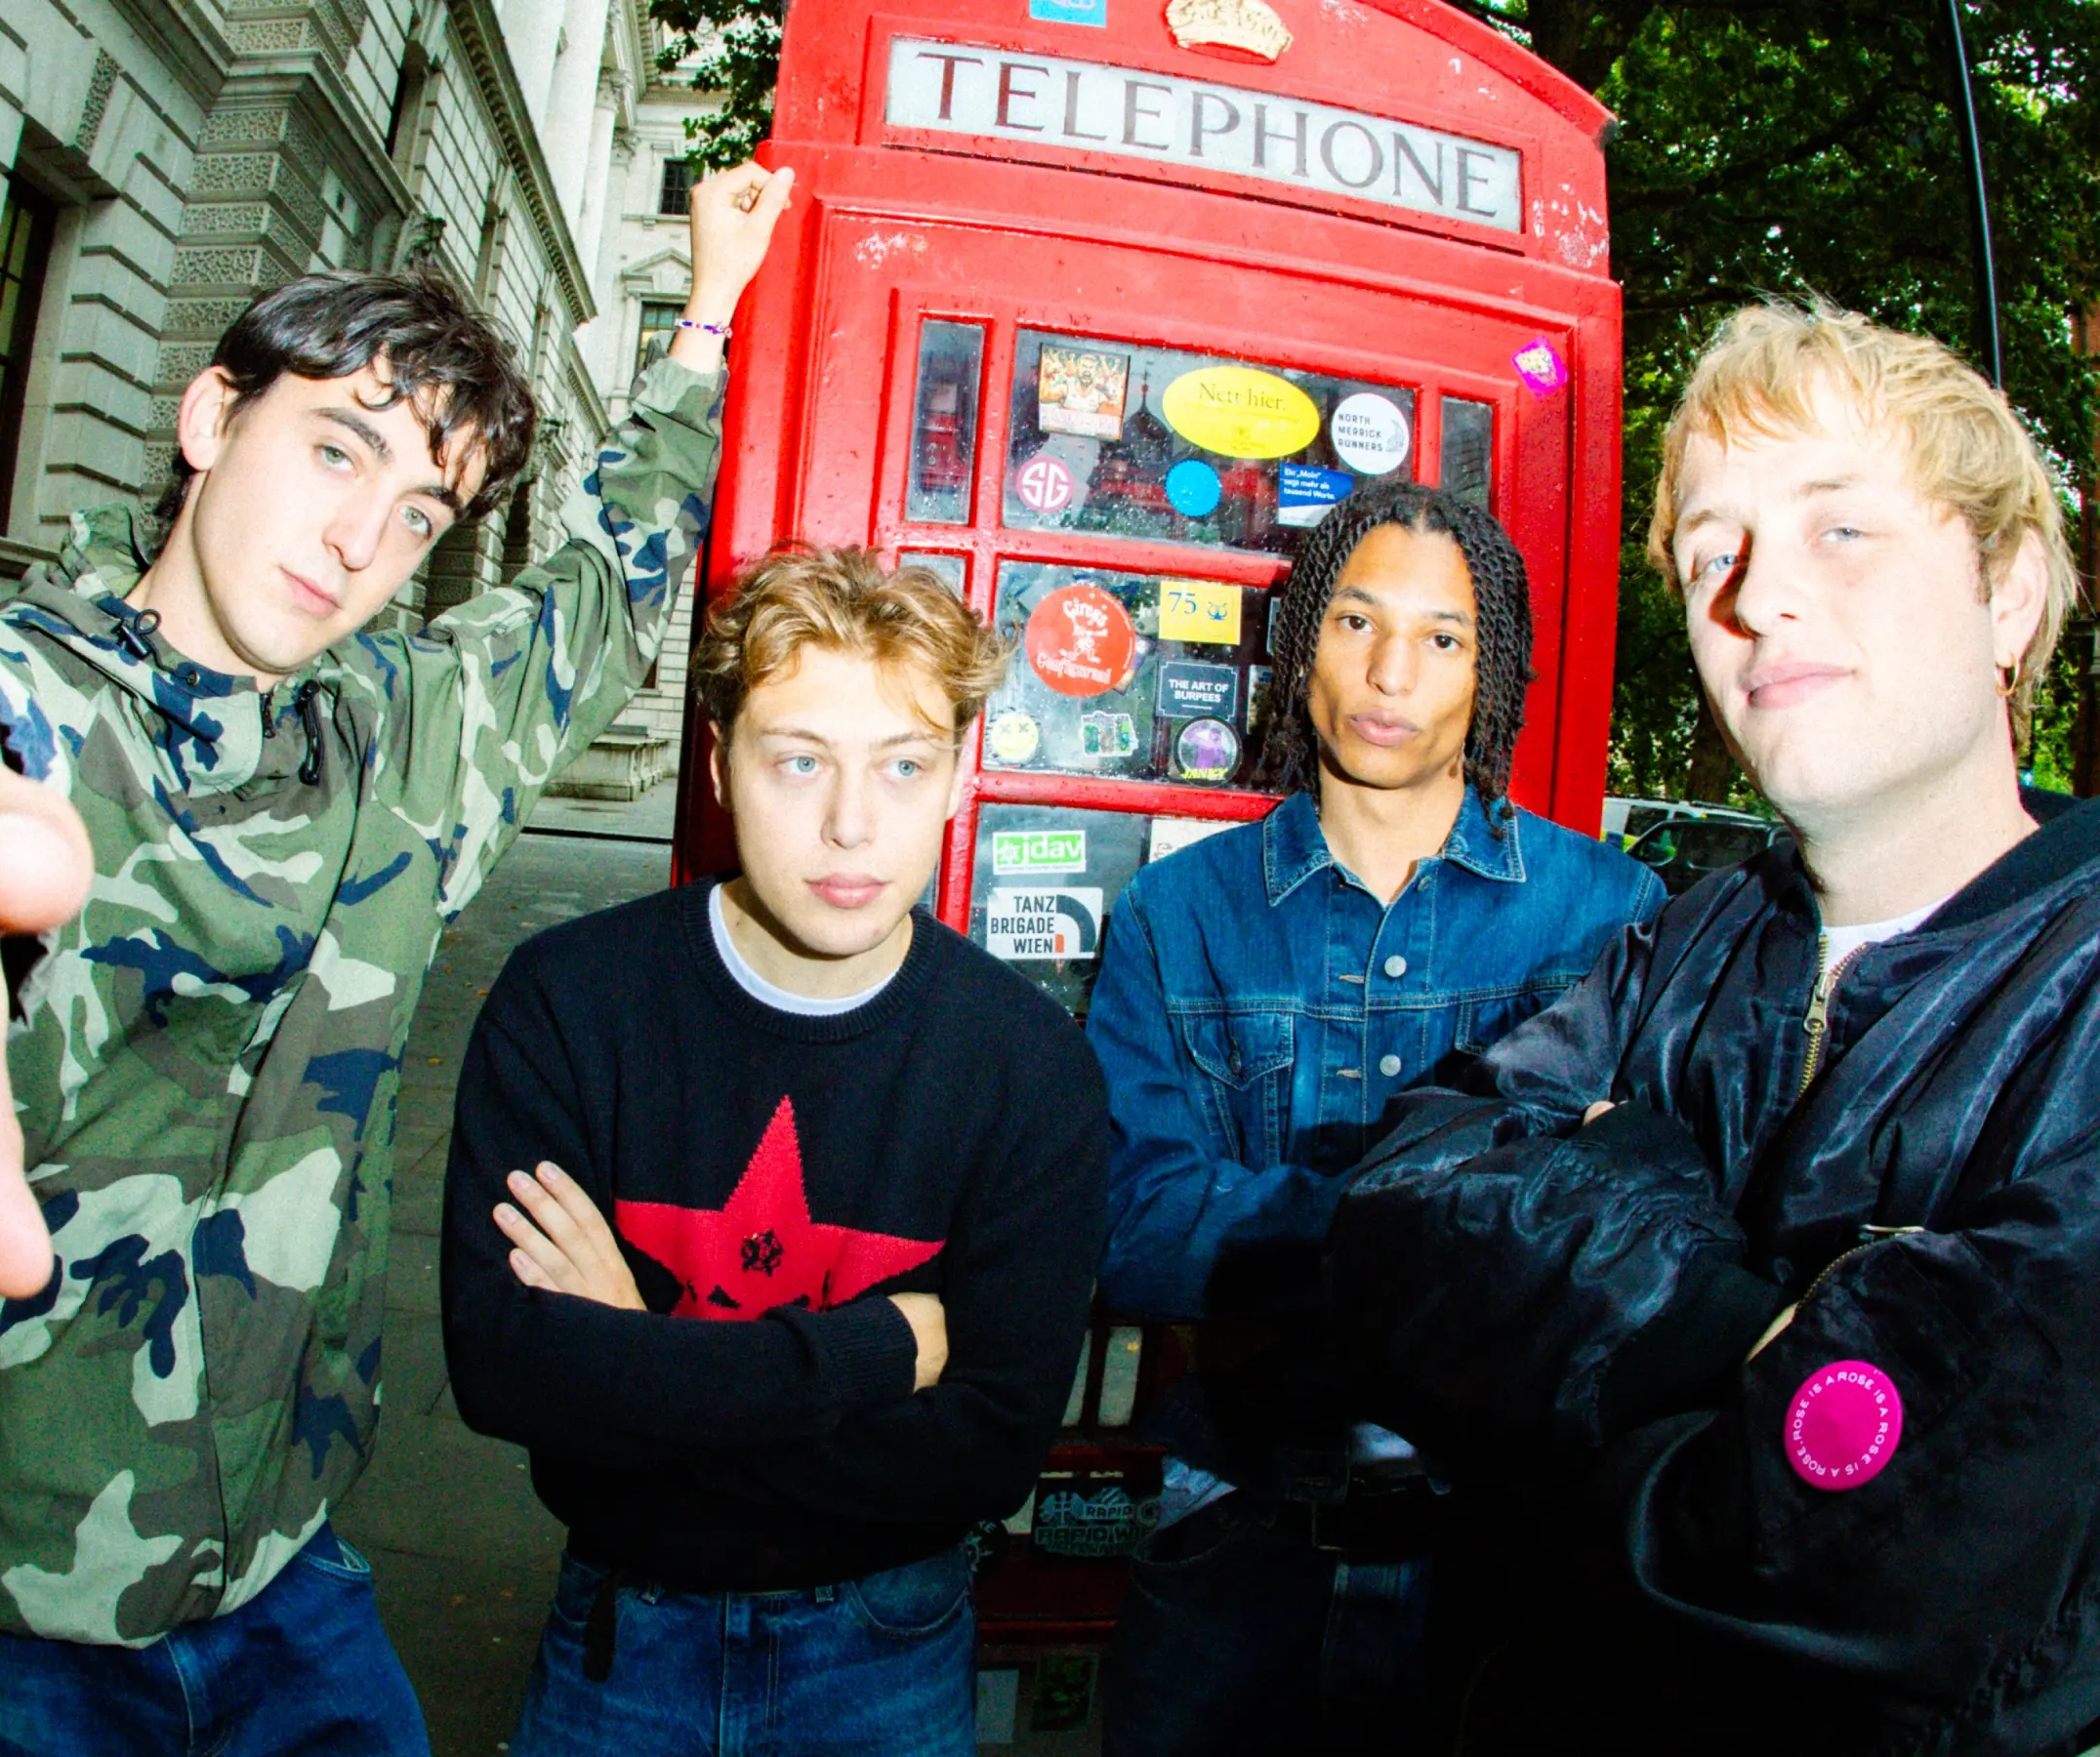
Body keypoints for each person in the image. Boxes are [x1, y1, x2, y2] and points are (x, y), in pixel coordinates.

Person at [0, 161, 794, 1753]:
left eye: (421, 512)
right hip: (3, 1590)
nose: (362, 537)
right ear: (210, 419)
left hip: (284, 1551)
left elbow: (605, 587)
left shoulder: (410, 738)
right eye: (335, 448)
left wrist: (707, 311)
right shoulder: (13, 716)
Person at [1297, 303, 2093, 1753]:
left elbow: (1913, 1565)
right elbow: (1395, 1218)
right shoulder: (1688, 939)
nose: (1757, 598)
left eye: (1839, 529)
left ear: (2012, 594)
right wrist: (1752, 1332)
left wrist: (1605, 1226)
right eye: (1715, 551)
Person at [440, 547, 1108, 1757]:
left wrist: (634, 1365)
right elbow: (505, 1374)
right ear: (718, 764)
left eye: (902, 765)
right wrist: (878, 1351)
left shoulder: (1029, 1065)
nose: (851, 823)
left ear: (957, 778)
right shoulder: (567, 1003)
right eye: (799, 761)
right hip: (619, 1640)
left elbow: (987, 1455)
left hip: (889, 1651)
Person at [1087, 481, 1662, 1756]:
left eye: (1441, 637)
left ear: (1489, 670)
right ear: (1302, 643)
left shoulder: (1609, 915)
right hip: (1234, 1543)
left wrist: (1277, 1231)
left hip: (1509, 1563)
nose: (1390, 673)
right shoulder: (1176, 916)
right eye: (1356, 622)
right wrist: (1468, 1213)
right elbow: (1132, 1232)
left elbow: (1636, 1247)